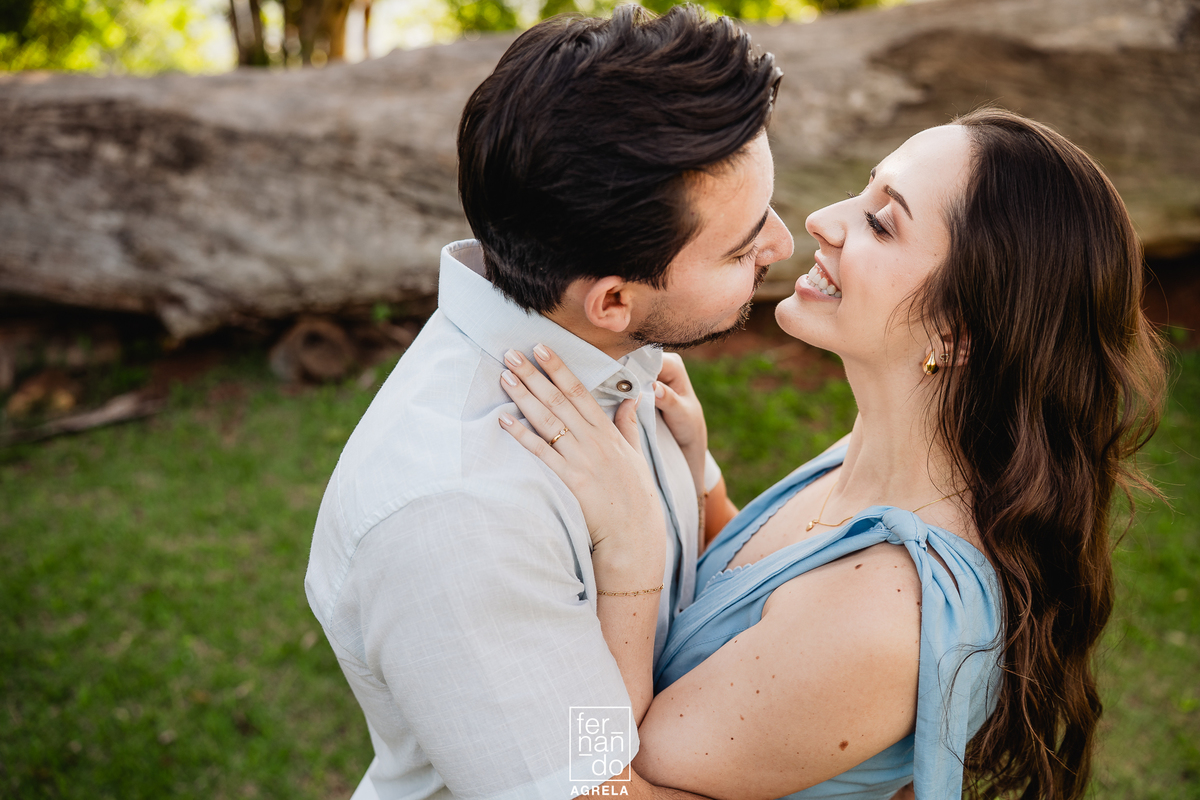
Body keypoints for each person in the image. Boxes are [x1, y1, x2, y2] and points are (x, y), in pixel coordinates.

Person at [498, 108, 1166, 799]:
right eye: (864, 189)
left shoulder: (879, 612)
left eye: (882, 222)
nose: (821, 219)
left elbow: (603, 792)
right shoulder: (895, 453)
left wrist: (631, 561)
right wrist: (700, 482)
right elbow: (768, 614)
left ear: (959, 331)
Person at [304, 5, 792, 799]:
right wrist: (629, 559)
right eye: (743, 246)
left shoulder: (609, 347)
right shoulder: (458, 516)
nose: (782, 243)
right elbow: (591, 780)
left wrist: (700, 485)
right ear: (611, 299)